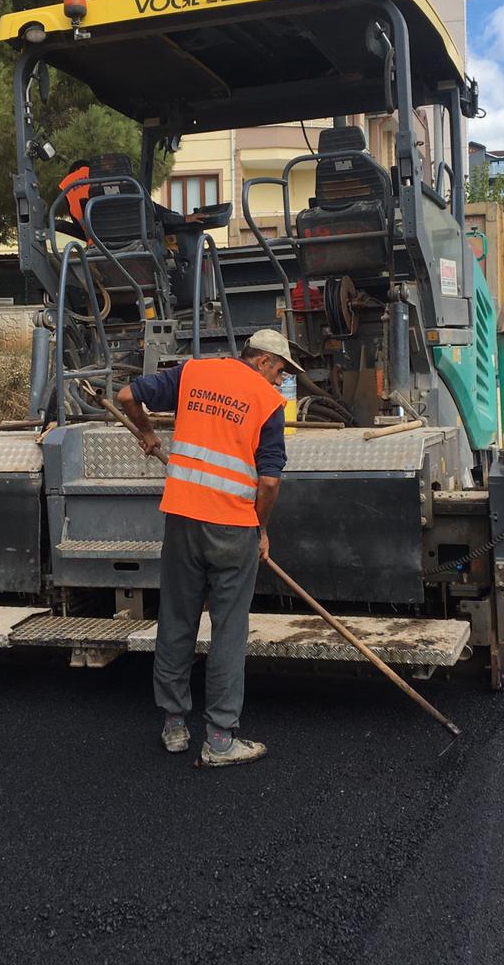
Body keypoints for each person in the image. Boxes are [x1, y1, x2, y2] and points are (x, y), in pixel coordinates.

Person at [116, 328, 296, 767]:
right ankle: (219, 740)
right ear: (262, 361)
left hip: (182, 519)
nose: (280, 382)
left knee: (177, 619)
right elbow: (269, 481)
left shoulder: (194, 372)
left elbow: (125, 395)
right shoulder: (267, 402)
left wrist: (149, 434)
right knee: (229, 630)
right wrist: (260, 527)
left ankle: (174, 725)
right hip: (233, 527)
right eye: (280, 371)